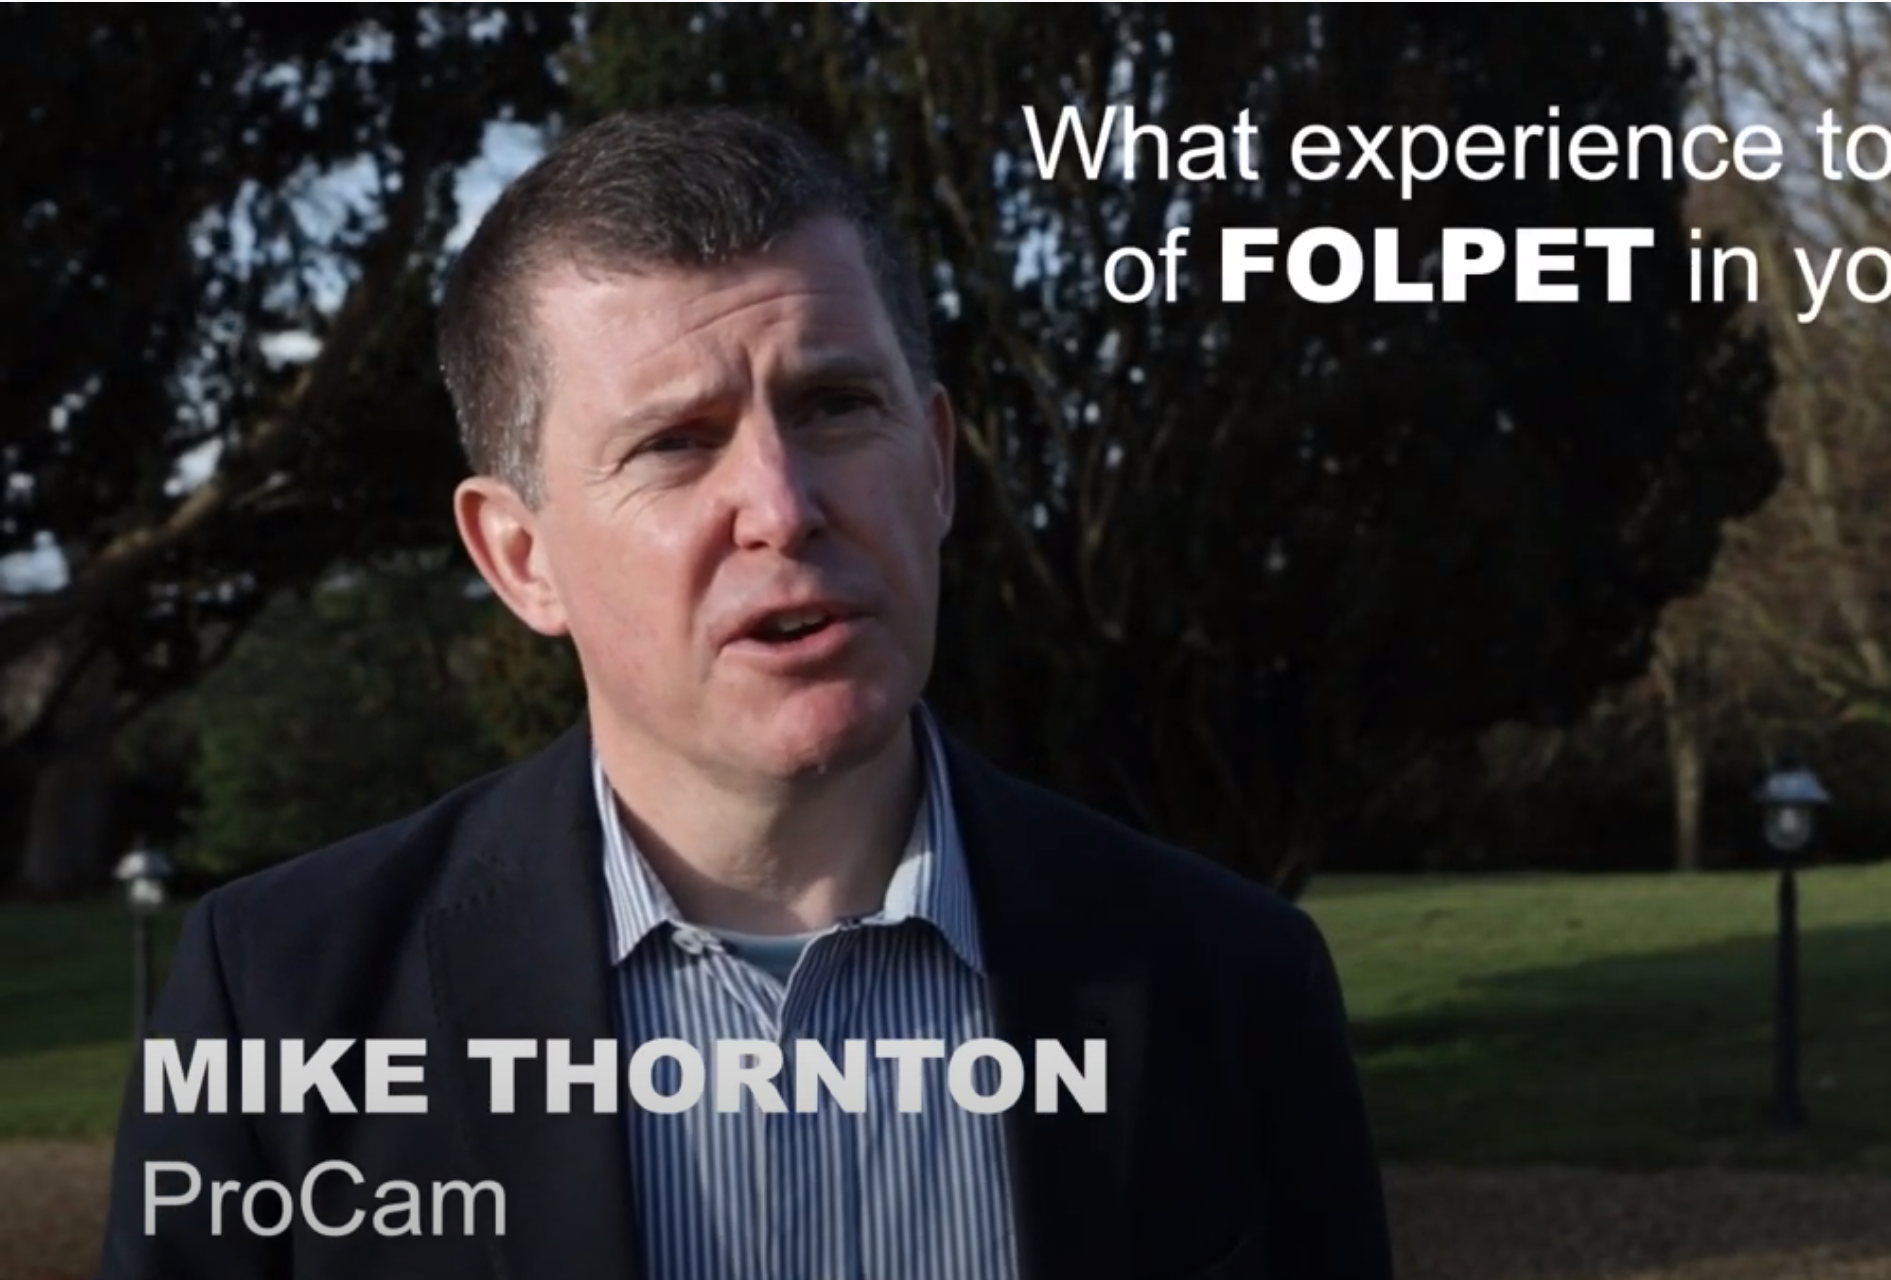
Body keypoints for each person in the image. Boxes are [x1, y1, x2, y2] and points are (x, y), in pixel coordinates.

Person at [97, 106, 1393, 1280]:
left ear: (937, 466)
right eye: (675, 443)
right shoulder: (279, 999)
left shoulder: (1234, 983)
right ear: (520, 557)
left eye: (835, 405)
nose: (783, 505)